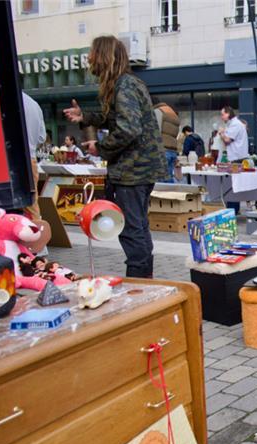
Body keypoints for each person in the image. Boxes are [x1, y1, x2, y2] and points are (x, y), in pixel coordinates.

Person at [64, 35, 165, 278]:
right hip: (137, 170)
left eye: (92, 52)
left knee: (132, 229)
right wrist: (85, 117)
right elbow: (116, 118)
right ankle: (143, 279)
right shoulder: (124, 85)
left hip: (133, 171)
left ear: (104, 56)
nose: (88, 58)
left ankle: (139, 281)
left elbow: (129, 128)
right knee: (137, 227)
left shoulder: (125, 85)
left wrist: (100, 148)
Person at [218, 106, 249, 213]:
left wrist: (221, 133)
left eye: (222, 114)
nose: (221, 117)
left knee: (232, 185)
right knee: (233, 185)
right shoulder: (234, 124)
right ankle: (234, 209)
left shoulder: (235, 124)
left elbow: (227, 140)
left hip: (237, 158)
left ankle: (233, 210)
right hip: (237, 157)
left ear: (228, 113)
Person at [22, 91, 46, 224]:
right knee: (31, 205)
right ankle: (39, 241)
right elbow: (41, 137)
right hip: (30, 158)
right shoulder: (33, 104)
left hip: (6, 161)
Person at [153, 102, 180, 183]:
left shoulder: (158, 111)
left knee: (160, 182)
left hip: (162, 150)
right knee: (169, 178)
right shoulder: (174, 115)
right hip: (173, 151)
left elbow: (155, 132)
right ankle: (171, 195)